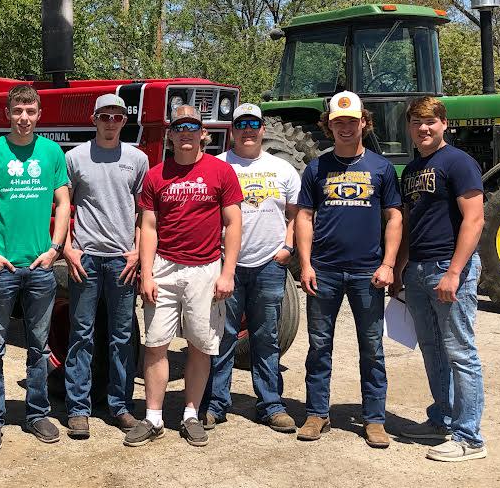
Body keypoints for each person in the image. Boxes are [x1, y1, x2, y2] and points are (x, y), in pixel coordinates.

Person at [125, 105, 243, 449]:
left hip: (205, 270)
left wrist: (228, 272)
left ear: (202, 133)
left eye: (193, 127)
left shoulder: (220, 172)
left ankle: (191, 414)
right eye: (180, 127)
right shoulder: (156, 175)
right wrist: (146, 274)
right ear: (171, 134)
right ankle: (153, 417)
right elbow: (147, 227)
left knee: (200, 345)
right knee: (155, 344)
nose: (186, 133)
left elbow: (233, 223)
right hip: (164, 268)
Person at [295, 91, 402, 449]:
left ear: (363, 123)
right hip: (323, 270)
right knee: (319, 346)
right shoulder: (316, 168)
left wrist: (388, 264)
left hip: (367, 272)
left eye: (351, 122)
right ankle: (316, 413)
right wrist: (306, 264)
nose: (345, 128)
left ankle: (374, 420)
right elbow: (304, 218)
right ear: (329, 126)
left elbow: (394, 217)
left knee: (371, 348)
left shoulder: (381, 168)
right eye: (338, 122)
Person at [0, 84, 70, 451]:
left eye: (30, 111)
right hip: (2, 269)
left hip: (40, 267)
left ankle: (37, 413)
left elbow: (63, 202)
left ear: (38, 114)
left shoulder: (52, 152)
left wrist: (55, 247)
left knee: (38, 345)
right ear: (8, 114)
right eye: (17, 111)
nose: (24, 118)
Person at [396, 96, 487, 462]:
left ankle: (469, 437)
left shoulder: (459, 162)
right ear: (409, 128)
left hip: (448, 270)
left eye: (430, 121)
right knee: (433, 349)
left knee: (461, 352)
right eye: (417, 122)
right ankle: (442, 419)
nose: (423, 128)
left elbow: (474, 220)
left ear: (444, 123)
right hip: (418, 271)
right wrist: (400, 268)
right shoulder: (412, 169)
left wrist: (454, 272)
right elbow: (408, 223)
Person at [200, 103, 301, 433]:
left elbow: (296, 214)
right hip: (226, 265)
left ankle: (271, 404)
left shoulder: (282, 169)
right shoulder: (216, 166)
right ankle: (216, 403)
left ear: (261, 129)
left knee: (266, 337)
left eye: (253, 123)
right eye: (240, 123)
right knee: (222, 336)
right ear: (232, 130)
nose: (247, 129)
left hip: (269, 265)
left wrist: (287, 248)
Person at [61, 94, 149, 439]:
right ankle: (78, 408)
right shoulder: (75, 157)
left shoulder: (137, 159)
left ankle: (120, 406)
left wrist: (137, 251)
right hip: (86, 258)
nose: (110, 122)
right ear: (94, 118)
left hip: (121, 261)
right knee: (80, 334)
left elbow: (145, 213)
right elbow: (63, 205)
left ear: (124, 121)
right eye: (104, 116)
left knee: (122, 336)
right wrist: (68, 249)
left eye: (116, 117)